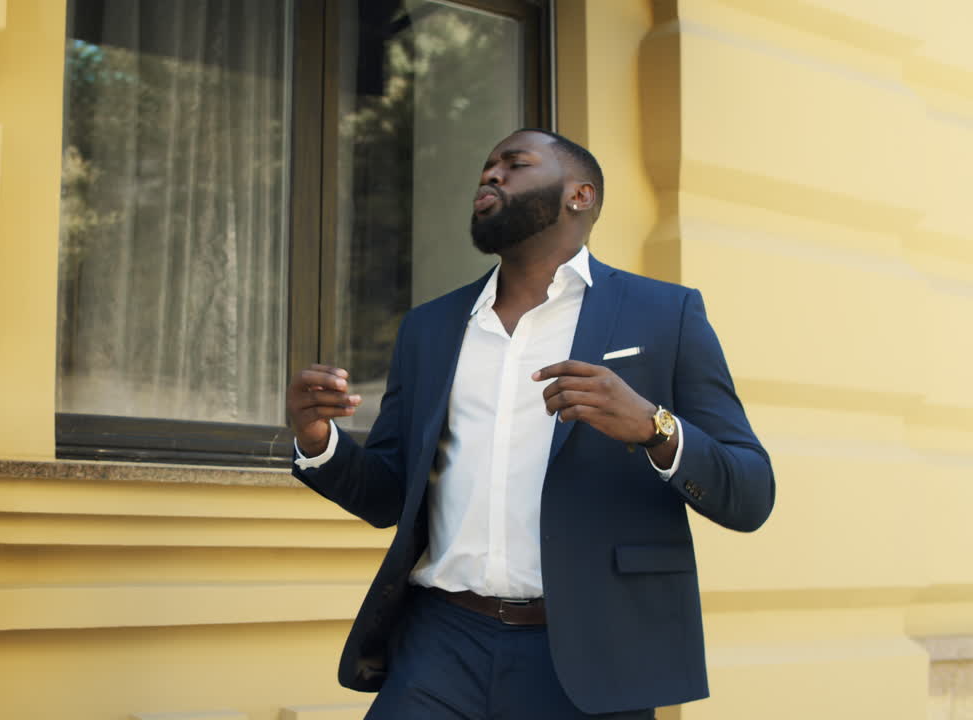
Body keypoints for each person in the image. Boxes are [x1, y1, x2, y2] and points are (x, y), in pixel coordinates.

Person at [286, 129, 775, 719]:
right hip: (440, 643)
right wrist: (320, 444)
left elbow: (751, 494)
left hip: (589, 657)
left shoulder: (665, 315)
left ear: (580, 196)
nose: (490, 175)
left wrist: (653, 426)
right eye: (487, 166)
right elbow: (390, 494)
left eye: (515, 164)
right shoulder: (430, 328)